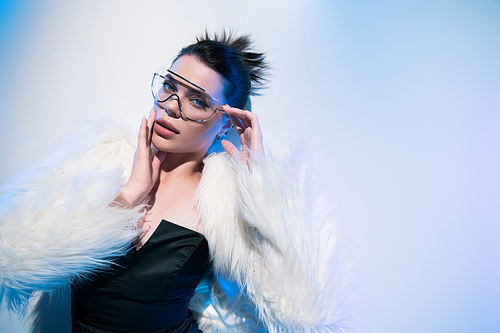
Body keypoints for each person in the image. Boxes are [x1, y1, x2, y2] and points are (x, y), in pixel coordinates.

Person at [0, 32, 356, 332]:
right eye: (169, 86)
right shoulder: (103, 162)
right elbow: (14, 262)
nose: (171, 106)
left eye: (197, 101)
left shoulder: (226, 201)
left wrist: (263, 188)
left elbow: (302, 313)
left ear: (227, 122)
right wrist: (128, 197)